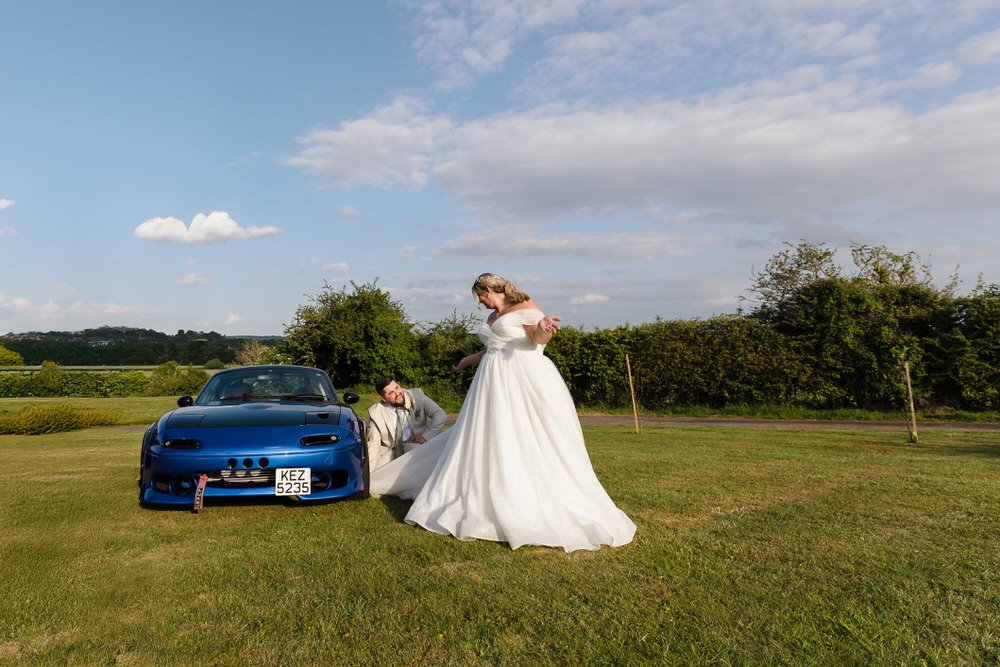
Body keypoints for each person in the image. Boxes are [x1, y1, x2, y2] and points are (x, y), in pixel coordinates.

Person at [370, 273, 636, 552]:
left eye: (480, 297)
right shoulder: (493, 317)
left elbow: (537, 340)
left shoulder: (524, 305)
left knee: (526, 432)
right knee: (488, 435)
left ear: (488, 289)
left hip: (521, 378)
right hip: (490, 383)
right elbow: (491, 350)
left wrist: (544, 326)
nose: (481, 303)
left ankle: (523, 497)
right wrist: (465, 362)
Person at [365, 377, 447, 471]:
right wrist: (367, 475)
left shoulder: (416, 395)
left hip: (415, 445)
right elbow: (373, 444)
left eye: (397, 387)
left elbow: (440, 415)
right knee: (375, 474)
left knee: (415, 449)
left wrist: (425, 436)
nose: (398, 393)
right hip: (391, 451)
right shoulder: (375, 413)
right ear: (383, 399)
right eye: (391, 393)